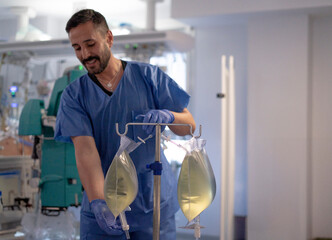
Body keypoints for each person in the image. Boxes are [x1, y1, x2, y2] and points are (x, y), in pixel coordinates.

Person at [54, 9, 196, 240]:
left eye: (90, 44)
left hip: (153, 203)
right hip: (104, 202)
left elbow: (189, 126)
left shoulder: (149, 77)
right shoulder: (74, 95)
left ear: (108, 38)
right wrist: (99, 202)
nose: (85, 54)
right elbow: (86, 152)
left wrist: (169, 117)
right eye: (77, 48)